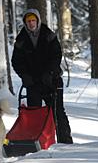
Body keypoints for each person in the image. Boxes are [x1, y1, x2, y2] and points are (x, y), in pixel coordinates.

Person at [11, 8, 73, 144]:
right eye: (29, 21)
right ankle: (34, 143)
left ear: (38, 21)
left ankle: (65, 142)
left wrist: (50, 72)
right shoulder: (21, 39)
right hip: (33, 82)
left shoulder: (48, 35)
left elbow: (56, 55)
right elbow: (16, 61)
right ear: (25, 23)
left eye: (33, 20)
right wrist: (24, 76)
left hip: (52, 80)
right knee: (34, 114)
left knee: (57, 112)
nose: (31, 23)